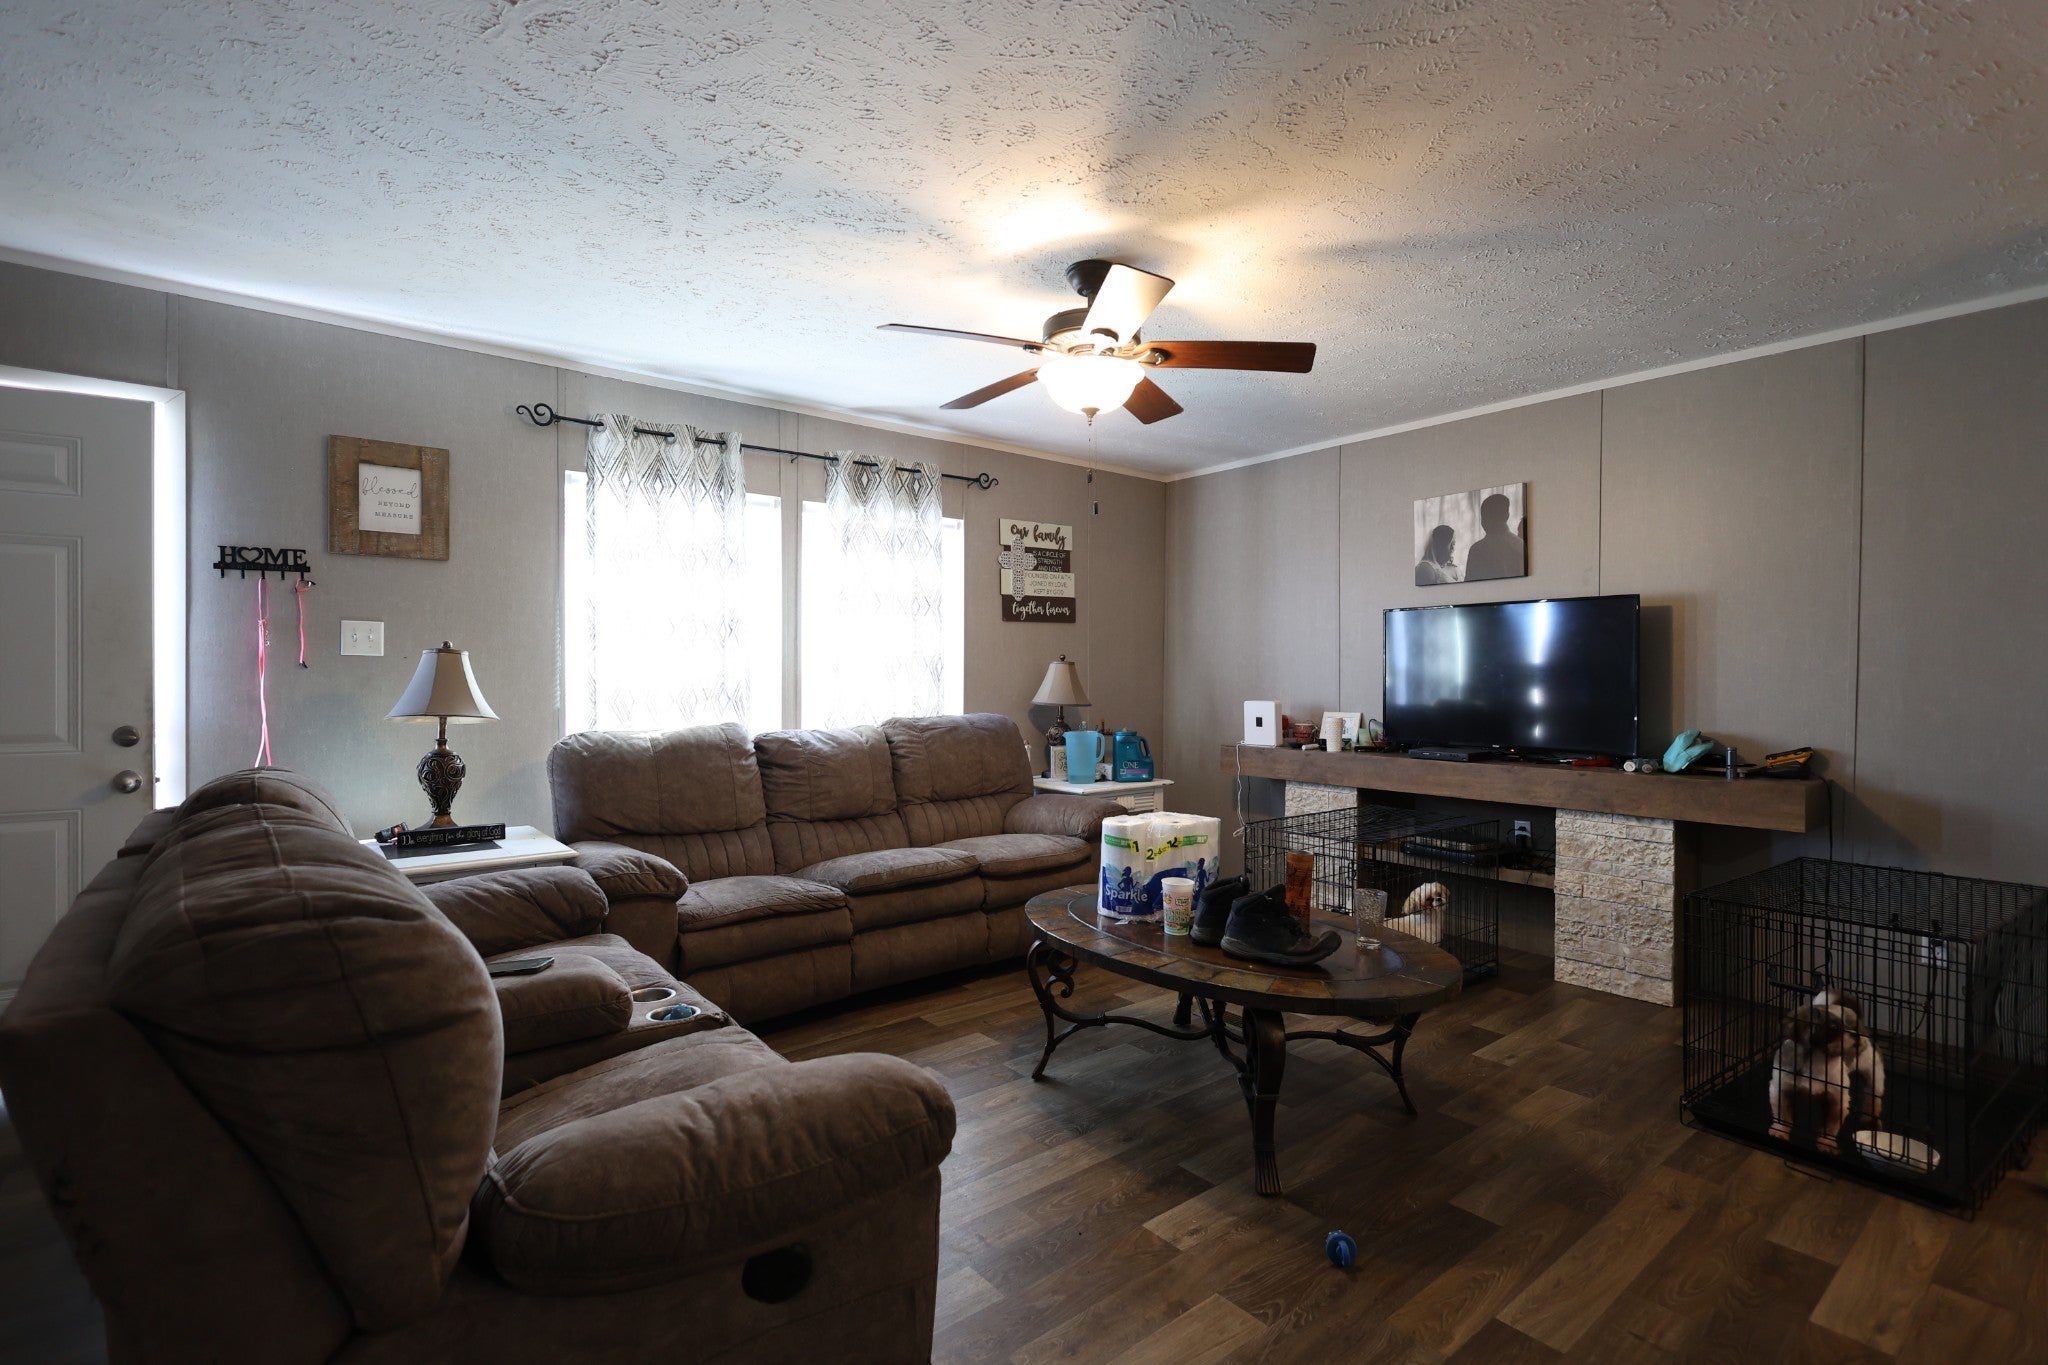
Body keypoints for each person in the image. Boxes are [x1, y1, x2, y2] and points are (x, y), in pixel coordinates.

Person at [1465, 493, 1525, 581]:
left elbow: (1469, 585)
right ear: (1507, 516)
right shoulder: (1521, 545)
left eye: (1485, 517)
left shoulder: (1477, 549)